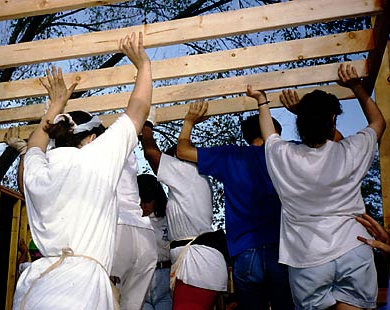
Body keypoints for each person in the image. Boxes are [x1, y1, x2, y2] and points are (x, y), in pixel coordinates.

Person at [12, 31, 152, 309]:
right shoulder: (95, 160)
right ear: (89, 138)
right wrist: (144, 66)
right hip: (81, 290)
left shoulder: (38, 169)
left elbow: (35, 146)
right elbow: (138, 111)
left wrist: (56, 104)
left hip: (37, 288)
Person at [250, 63, 386, 309]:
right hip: (353, 248)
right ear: (333, 120)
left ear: (300, 123)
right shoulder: (351, 150)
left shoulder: (284, 156)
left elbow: (269, 134)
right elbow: (378, 122)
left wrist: (262, 101)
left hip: (307, 259)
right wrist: (357, 87)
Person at [177, 101, 294, 310]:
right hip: (282, 252)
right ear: (273, 131)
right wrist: (300, 111)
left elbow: (183, 151)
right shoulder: (288, 153)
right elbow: (333, 141)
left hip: (244, 253)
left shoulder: (231, 156)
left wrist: (189, 122)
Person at [141, 116, 228, 310]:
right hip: (196, 263)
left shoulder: (187, 172)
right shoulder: (195, 179)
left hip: (197, 264)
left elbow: (151, 154)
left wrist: (146, 127)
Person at [111, 154, 157, 310]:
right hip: (144, 231)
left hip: (117, 226)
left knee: (107, 300)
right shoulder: (127, 138)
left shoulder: (90, 143)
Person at [137, 174, 172, 310]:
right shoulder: (131, 222)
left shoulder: (168, 220)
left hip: (165, 278)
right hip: (141, 280)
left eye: (148, 200)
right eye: (140, 200)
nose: (143, 205)